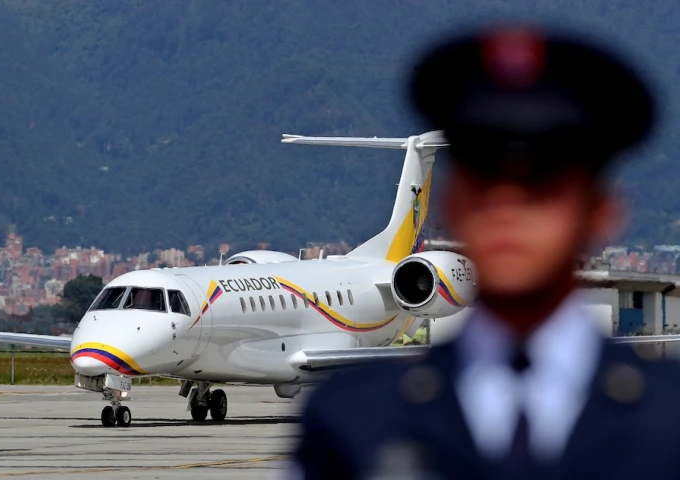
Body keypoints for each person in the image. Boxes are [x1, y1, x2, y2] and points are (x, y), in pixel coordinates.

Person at [289, 25, 680, 479]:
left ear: (602, 213)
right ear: (453, 207)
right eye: (483, 183)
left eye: (542, 186)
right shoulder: (349, 424)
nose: (507, 208)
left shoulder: (668, 424)